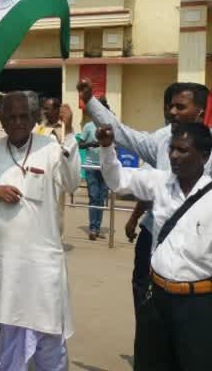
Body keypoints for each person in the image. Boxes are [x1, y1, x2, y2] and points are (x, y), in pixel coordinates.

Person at [77, 78, 210, 314]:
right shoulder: (162, 140)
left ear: (200, 112)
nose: (172, 112)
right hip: (155, 234)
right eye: (171, 106)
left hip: (198, 249)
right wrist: (90, 102)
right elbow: (123, 136)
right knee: (146, 303)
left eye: (180, 107)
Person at [0, 91, 80, 371]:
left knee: (49, 339)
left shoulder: (51, 147)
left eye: (24, 117)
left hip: (44, 264)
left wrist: (68, 133)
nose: (18, 122)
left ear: (35, 119)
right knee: (8, 337)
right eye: (11, 117)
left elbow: (72, 183)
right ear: (3, 120)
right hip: (8, 265)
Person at [97, 122, 212, 370]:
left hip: (198, 306)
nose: (173, 156)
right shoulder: (158, 182)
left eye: (182, 150)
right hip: (156, 298)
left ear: (204, 156)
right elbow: (117, 181)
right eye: (172, 149)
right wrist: (107, 148)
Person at [79, 96, 111, 241]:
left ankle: (97, 228)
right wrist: (91, 144)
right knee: (93, 197)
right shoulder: (88, 127)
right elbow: (80, 145)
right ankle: (92, 228)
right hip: (91, 166)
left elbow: (116, 145)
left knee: (101, 198)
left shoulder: (110, 126)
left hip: (105, 167)